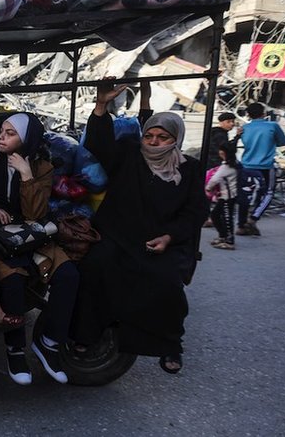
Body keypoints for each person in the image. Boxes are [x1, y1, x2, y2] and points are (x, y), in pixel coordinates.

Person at [75, 79, 208, 375]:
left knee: (167, 284)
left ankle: (168, 346)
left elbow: (195, 211)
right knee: (95, 268)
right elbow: (98, 147)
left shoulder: (188, 169)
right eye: (150, 136)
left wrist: (169, 237)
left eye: (163, 137)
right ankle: (86, 336)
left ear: (175, 138)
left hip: (160, 241)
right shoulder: (128, 153)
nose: (154, 142)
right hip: (116, 235)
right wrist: (100, 107)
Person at [0, 112, 78, 386]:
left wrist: (26, 176)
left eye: (10, 133)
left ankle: (48, 342)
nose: (2, 137)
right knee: (13, 278)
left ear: (26, 139)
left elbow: (34, 214)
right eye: (2, 131)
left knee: (68, 275)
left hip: (27, 234)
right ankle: (15, 349)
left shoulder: (41, 167)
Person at [236, 102, 285, 236]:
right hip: (265, 166)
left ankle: (241, 226)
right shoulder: (272, 126)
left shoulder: (244, 128)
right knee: (268, 193)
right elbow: (283, 142)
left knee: (245, 195)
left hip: (246, 165)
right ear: (264, 114)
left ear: (248, 114)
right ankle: (253, 218)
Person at [205, 142, 240, 250]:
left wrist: (208, 188)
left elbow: (215, 179)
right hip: (225, 196)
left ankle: (229, 241)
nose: (219, 152)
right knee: (215, 215)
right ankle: (223, 236)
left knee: (227, 218)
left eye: (221, 150)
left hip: (228, 197)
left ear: (224, 152)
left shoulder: (226, 167)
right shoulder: (234, 164)